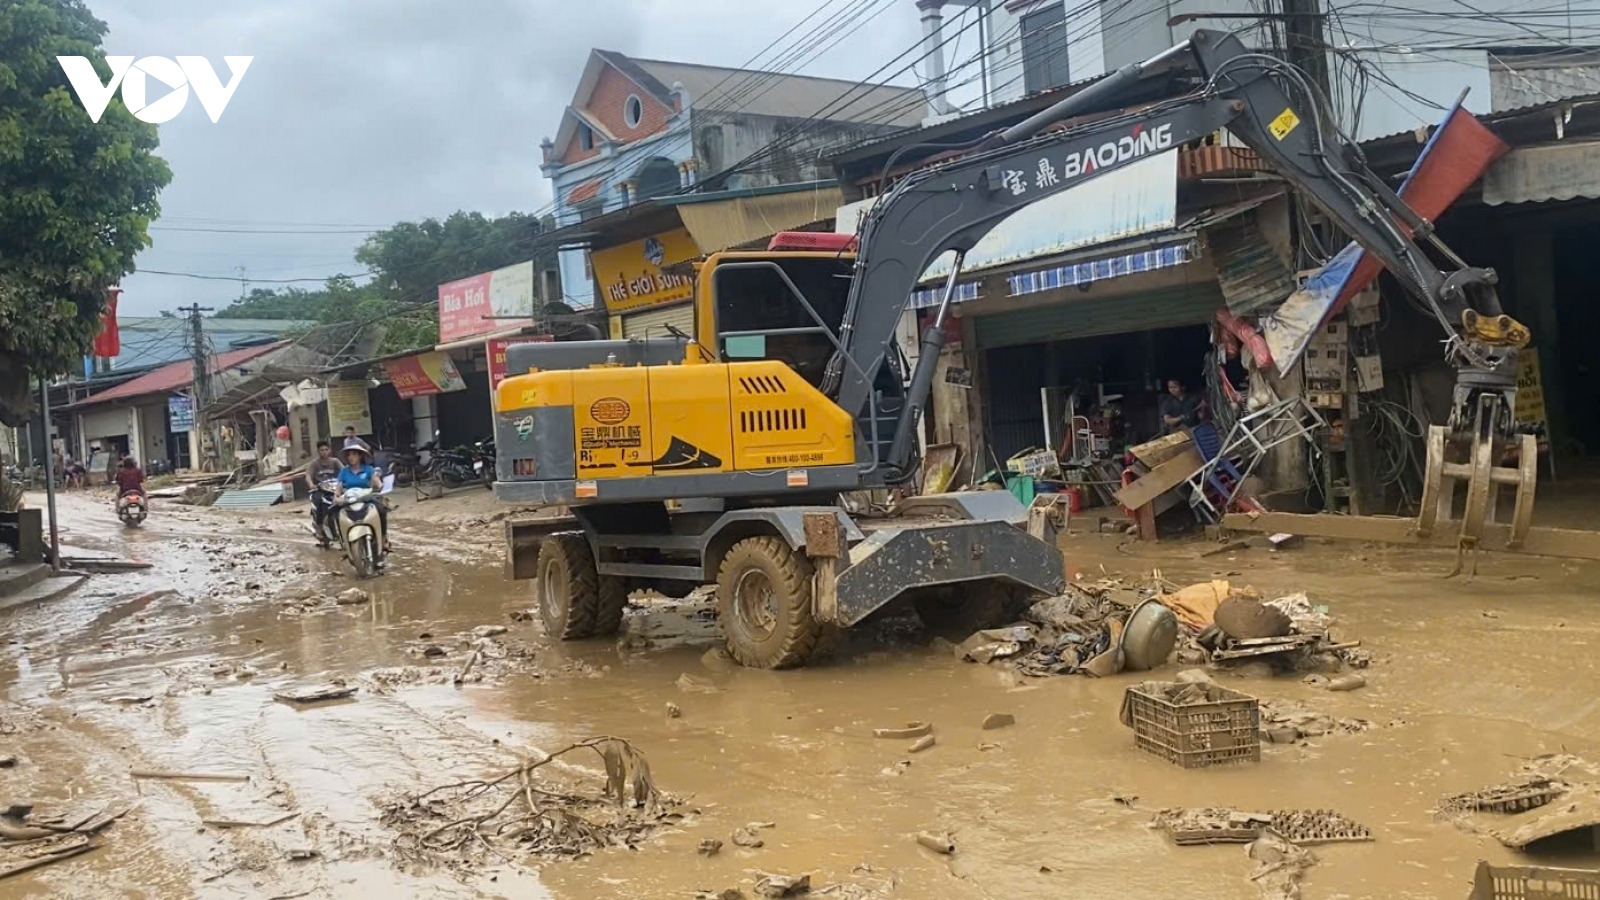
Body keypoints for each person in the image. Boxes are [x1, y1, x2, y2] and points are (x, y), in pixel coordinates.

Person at [336, 439, 390, 553]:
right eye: (349, 454)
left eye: (354, 454)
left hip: (366, 499)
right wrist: (336, 497)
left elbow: (376, 481)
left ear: (360, 455)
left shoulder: (368, 469)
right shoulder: (344, 471)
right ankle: (344, 543)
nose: (351, 457)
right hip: (349, 500)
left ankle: (383, 538)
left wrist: (380, 486)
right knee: (336, 513)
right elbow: (339, 487)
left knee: (381, 510)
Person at [306, 441, 341, 545]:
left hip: (335, 489)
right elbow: (308, 475)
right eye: (322, 450)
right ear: (318, 451)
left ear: (329, 450)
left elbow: (344, 471)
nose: (324, 452)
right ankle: (319, 528)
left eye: (326, 449)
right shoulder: (314, 463)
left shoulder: (335, 461)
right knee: (320, 503)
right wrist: (311, 485)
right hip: (320, 490)